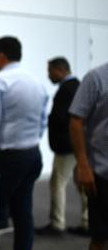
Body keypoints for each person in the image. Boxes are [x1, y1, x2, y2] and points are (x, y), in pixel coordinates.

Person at [0, 36, 48, 250]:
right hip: (32, 154)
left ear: (0, 56)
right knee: (23, 215)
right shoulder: (36, 82)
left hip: (5, 158)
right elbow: (42, 122)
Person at [36, 57, 87, 236]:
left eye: (50, 71)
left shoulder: (66, 89)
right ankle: (87, 221)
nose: (49, 75)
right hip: (75, 144)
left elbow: (60, 117)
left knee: (58, 183)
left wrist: (50, 120)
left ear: (59, 70)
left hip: (66, 145)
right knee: (81, 185)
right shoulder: (78, 86)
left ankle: (58, 222)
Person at [69, 61, 108, 250]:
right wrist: (83, 165)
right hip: (102, 172)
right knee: (100, 238)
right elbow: (76, 121)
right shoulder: (97, 77)